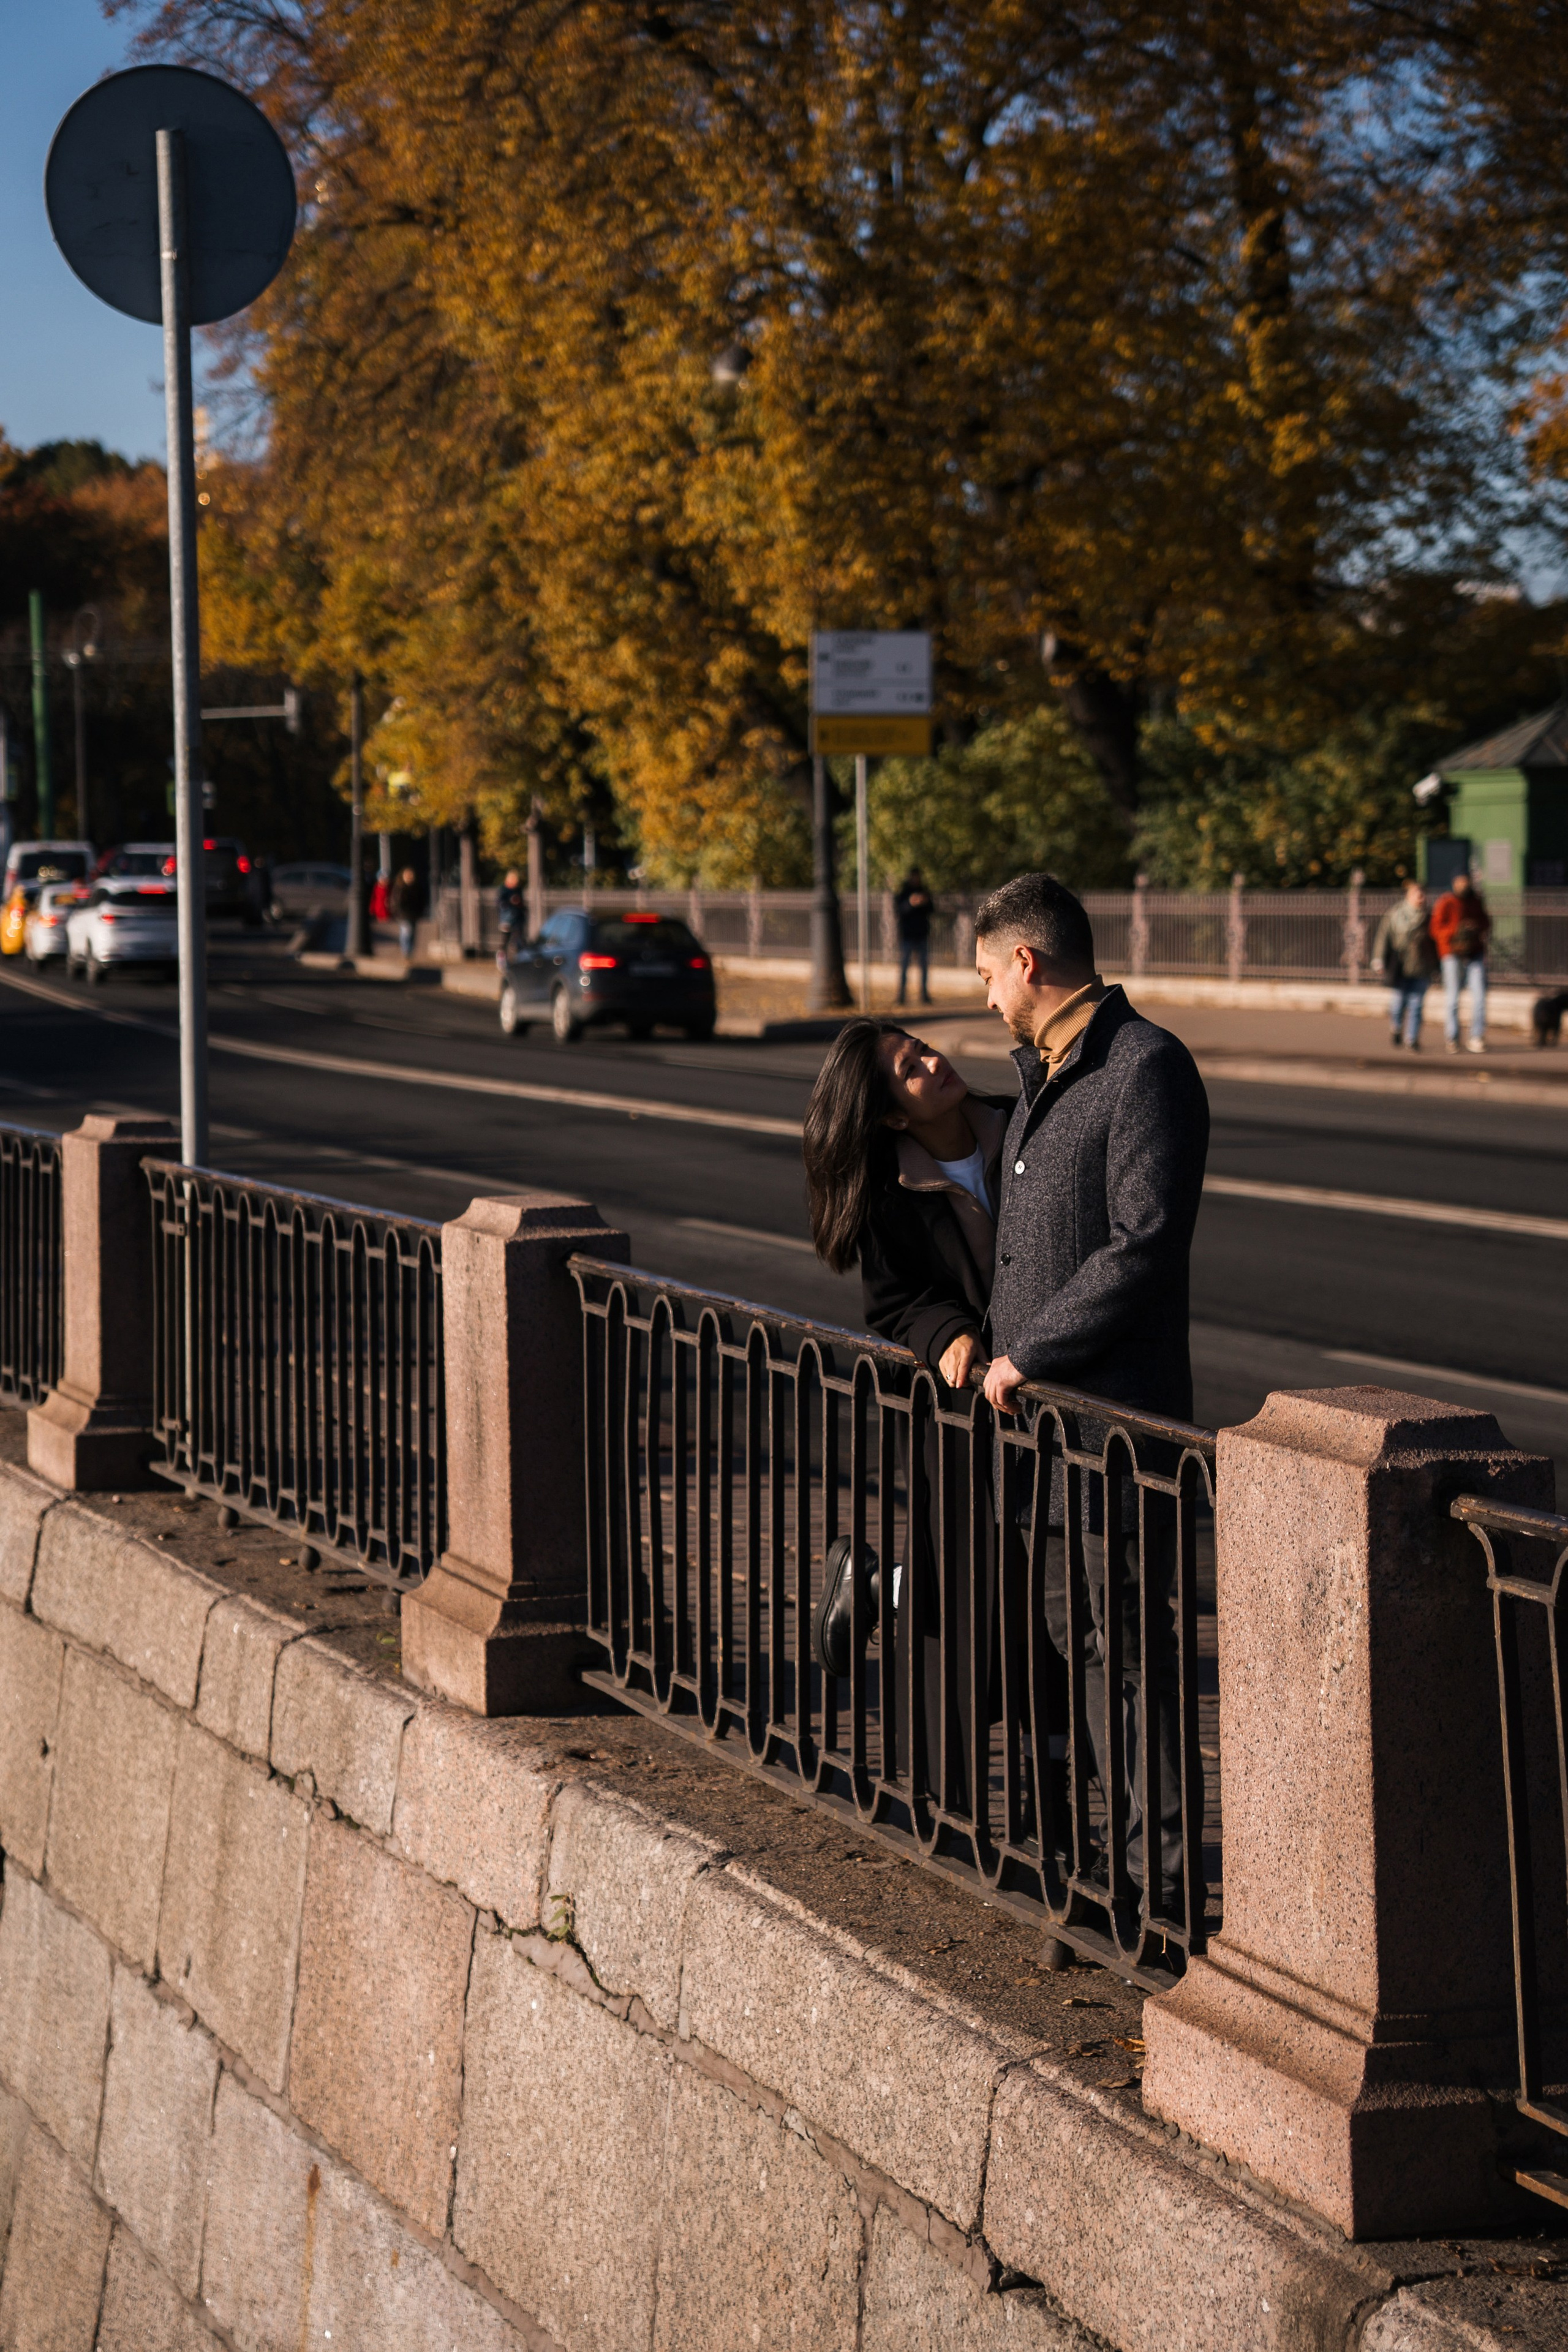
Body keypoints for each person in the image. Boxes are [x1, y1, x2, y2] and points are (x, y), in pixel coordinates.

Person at [976, 872, 1210, 1904]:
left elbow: (1144, 1244)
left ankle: (1159, 1891)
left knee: (1131, 1663)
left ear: (1027, 963)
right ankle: (1094, 1873)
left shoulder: (1142, 1066)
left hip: (1111, 1432)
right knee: (1083, 1651)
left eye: (988, 975)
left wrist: (1031, 1355)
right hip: (1048, 1437)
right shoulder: (1045, 1069)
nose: (986, 998)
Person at [802, 1018, 1012, 1800]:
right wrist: (947, 1332)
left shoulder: (1019, 1122)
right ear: (892, 1115)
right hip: (960, 1411)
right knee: (971, 1590)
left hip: (1038, 1387)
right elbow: (892, 1305)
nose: (933, 1060)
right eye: (910, 1067)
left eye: (921, 1045)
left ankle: (880, 1585)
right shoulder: (891, 1188)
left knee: (1012, 1587)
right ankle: (949, 1804)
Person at [1431, 868, 1491, 1054]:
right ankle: (1452, 1037)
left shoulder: (1476, 900)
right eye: (1461, 881)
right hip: (1452, 953)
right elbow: (1436, 929)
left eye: (1466, 881)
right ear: (1454, 883)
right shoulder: (1446, 902)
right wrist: (1457, 930)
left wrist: (1475, 927)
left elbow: (1486, 922)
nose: (1464, 885)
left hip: (1474, 952)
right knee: (1453, 998)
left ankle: (1477, 1036)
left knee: (1480, 996)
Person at [1371, 880, 1437, 1049]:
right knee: (1398, 1003)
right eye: (1418, 894)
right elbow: (1383, 937)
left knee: (1416, 1004)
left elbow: (1435, 942)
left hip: (1421, 966)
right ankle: (1397, 1027)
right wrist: (1378, 959)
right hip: (1399, 967)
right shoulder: (1395, 914)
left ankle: (1412, 1039)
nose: (1421, 898)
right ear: (1409, 896)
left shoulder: (1430, 917)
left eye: (1423, 895)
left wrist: (1437, 966)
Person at [894, 869, 934, 1007]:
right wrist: (911, 904)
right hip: (908, 935)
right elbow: (899, 910)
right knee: (904, 966)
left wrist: (924, 902)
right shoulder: (904, 892)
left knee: (924, 967)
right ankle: (901, 996)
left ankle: (924, 995)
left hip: (922, 934)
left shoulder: (924, 891)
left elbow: (932, 909)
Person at [496, 867, 525, 969]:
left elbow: (522, 903)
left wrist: (518, 902)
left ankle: (518, 961)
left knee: (518, 939)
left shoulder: (518, 889)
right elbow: (500, 903)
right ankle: (502, 959)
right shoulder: (504, 889)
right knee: (505, 940)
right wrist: (510, 901)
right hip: (507, 919)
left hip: (517, 918)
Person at [391, 866, 421, 961]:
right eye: (407, 875)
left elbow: (421, 901)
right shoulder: (400, 887)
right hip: (403, 915)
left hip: (413, 915)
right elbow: (396, 902)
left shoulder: (416, 887)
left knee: (412, 934)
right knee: (407, 932)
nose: (409, 877)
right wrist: (398, 912)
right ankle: (406, 952)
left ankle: (409, 952)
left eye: (411, 875)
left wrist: (419, 911)